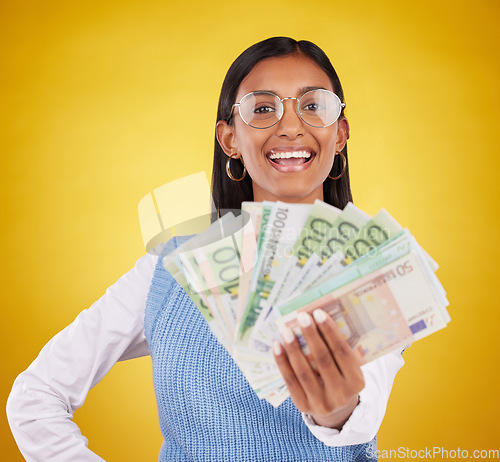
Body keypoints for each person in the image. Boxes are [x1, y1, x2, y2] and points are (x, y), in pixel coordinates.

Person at [7, 37, 405, 461]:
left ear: (340, 133)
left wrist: (338, 409)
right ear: (229, 139)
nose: (291, 126)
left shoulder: (372, 264)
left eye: (314, 105)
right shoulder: (168, 270)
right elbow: (36, 396)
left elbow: (363, 420)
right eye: (263, 108)